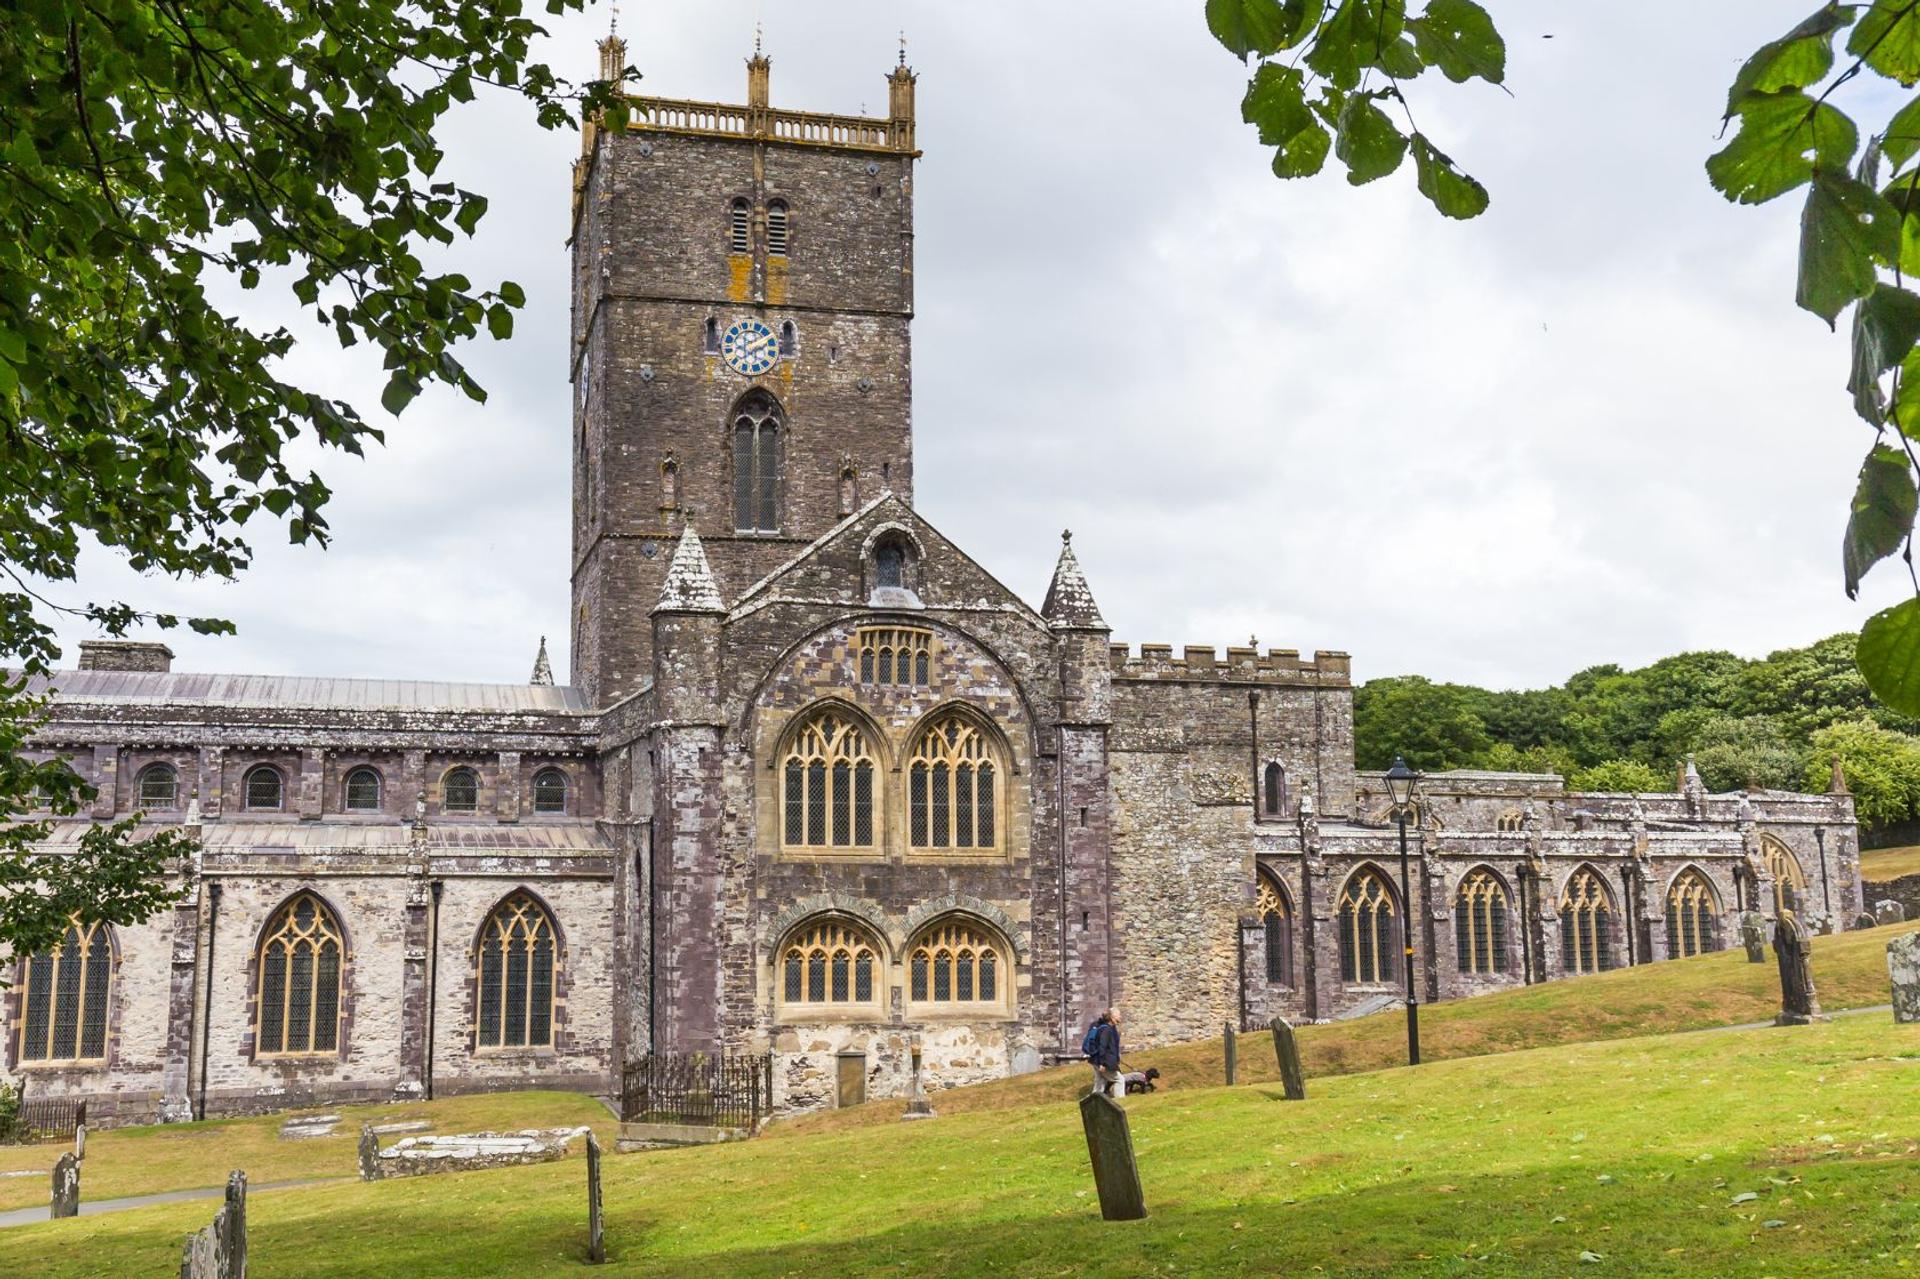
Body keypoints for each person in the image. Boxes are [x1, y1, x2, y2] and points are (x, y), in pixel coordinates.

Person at [1084, 1008, 1122, 1099]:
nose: (1121, 1017)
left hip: (1096, 1060)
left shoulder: (1108, 1028)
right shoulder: (1106, 1029)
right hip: (1101, 1061)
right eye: (1119, 1015)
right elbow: (1102, 1046)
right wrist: (1102, 1063)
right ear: (1112, 1017)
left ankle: (1093, 1103)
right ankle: (1119, 1102)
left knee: (1099, 1084)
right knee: (1119, 1079)